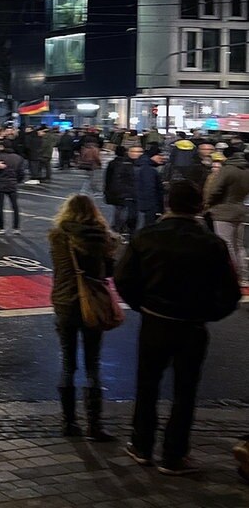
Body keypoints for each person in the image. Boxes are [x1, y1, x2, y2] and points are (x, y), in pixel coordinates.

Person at [116, 181, 241, 476]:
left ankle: (141, 445)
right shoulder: (212, 244)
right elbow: (230, 293)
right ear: (199, 206)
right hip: (192, 325)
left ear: (169, 203)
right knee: (185, 391)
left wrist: (142, 304)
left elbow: (123, 279)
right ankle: (174, 455)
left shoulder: (146, 236)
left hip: (155, 320)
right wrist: (207, 313)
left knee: (147, 386)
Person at [48, 195, 120, 441]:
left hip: (65, 302)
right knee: (93, 364)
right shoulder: (101, 237)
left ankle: (69, 423)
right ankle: (95, 425)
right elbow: (109, 271)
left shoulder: (58, 236)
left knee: (68, 363)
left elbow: (59, 269)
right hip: (93, 305)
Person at [205, 145, 249, 285]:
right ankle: (244, 276)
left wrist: (208, 203)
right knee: (239, 245)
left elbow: (215, 191)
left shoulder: (226, 170)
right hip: (240, 210)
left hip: (223, 212)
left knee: (226, 245)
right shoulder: (246, 171)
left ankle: (232, 275)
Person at [104, 145, 140, 237]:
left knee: (119, 209)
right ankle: (122, 227)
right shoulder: (129, 164)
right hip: (125, 190)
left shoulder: (113, 163)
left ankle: (117, 227)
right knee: (125, 209)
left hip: (115, 190)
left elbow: (108, 178)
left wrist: (107, 190)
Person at [0, 140, 26, 234]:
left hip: (0, 183)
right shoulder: (18, 158)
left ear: (2, 147)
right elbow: (21, 173)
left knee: (0, 206)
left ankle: (1, 227)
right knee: (15, 206)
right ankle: (16, 227)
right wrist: (17, 181)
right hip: (12, 184)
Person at [136, 149, 165, 227]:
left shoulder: (144, 166)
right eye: (159, 155)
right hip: (149, 205)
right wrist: (155, 207)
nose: (162, 158)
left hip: (144, 204)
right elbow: (149, 188)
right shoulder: (148, 169)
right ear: (153, 156)